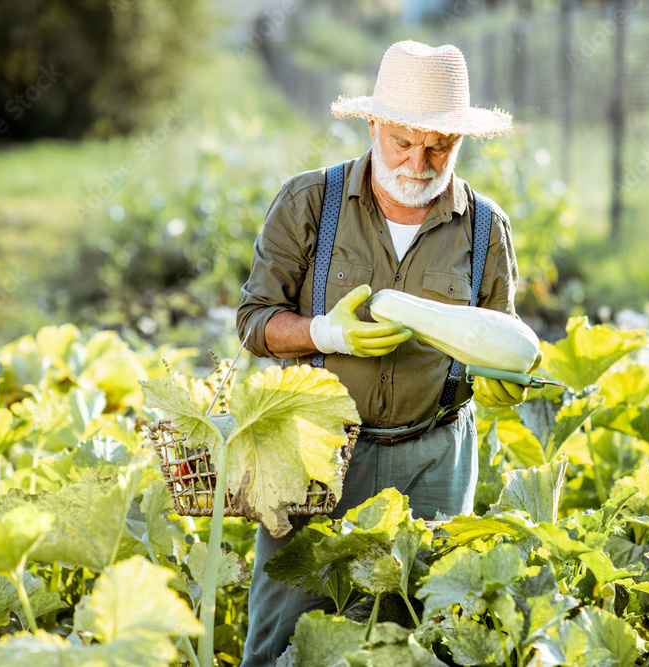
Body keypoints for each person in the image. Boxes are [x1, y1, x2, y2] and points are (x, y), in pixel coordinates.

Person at [236, 39, 532, 667]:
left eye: (440, 146)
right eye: (403, 141)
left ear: (461, 140)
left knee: (424, 639)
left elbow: (498, 341)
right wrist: (325, 335)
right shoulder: (307, 202)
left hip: (436, 456)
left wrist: (504, 382)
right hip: (316, 454)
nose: (420, 161)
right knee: (284, 636)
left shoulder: (485, 226)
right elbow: (253, 321)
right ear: (373, 125)